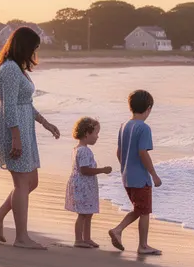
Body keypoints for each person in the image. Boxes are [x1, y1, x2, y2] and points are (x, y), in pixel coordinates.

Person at [0, 27, 60, 248]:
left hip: (24, 128)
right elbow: (9, 106)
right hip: (13, 130)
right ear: (24, 46)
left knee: (31, 182)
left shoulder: (18, 68)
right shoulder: (8, 69)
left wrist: (46, 123)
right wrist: (16, 138)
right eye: (34, 47)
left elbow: (25, 103)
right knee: (21, 183)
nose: (35, 51)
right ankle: (21, 237)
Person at [108, 90, 162, 256]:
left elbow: (119, 152)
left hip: (127, 176)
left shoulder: (124, 126)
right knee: (144, 211)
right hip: (140, 178)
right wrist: (153, 174)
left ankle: (119, 231)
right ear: (149, 108)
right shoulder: (144, 128)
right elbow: (143, 153)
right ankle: (141, 244)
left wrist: (125, 167)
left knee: (139, 208)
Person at [65, 117, 111, 248]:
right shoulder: (84, 150)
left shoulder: (78, 148)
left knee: (88, 212)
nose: (97, 137)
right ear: (87, 133)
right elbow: (84, 170)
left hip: (84, 185)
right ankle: (79, 240)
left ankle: (87, 238)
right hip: (83, 186)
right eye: (96, 133)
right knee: (83, 214)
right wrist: (102, 170)